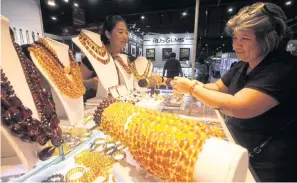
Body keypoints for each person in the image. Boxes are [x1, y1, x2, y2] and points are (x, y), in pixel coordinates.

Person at [171, 2, 297, 181]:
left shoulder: (282, 69)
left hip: (267, 167)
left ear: (267, 39)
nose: (236, 45)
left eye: (245, 39)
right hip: (241, 150)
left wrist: (192, 88)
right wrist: (193, 84)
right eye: (235, 38)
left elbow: (239, 106)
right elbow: (217, 87)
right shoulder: (242, 65)